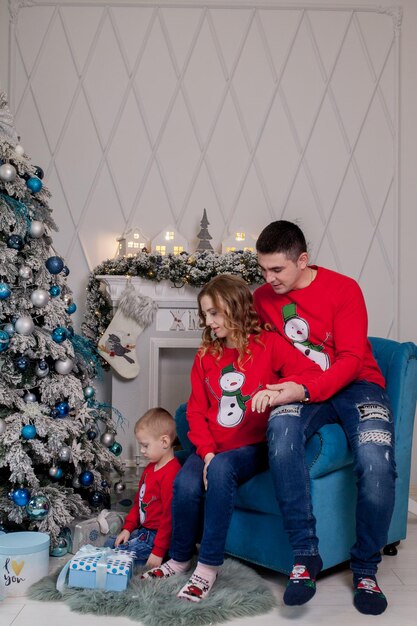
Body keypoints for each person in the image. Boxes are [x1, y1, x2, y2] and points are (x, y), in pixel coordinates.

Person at [142, 274, 322, 602]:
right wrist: (206, 454)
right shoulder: (206, 356)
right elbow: (196, 412)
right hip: (213, 448)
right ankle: (180, 559)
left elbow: (310, 375)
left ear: (236, 309)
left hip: (253, 449)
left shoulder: (269, 344)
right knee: (185, 482)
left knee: (224, 469)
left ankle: (207, 568)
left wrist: (278, 392)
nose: (209, 323)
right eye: (205, 315)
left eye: (215, 313)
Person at [251, 220, 396, 616]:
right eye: (263, 269)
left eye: (277, 269)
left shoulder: (344, 289)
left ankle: (365, 568)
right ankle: (305, 555)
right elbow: (261, 353)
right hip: (299, 388)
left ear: (303, 259)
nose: (268, 279)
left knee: (376, 462)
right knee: (280, 432)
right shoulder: (262, 298)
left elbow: (351, 360)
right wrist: (274, 388)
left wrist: (305, 389)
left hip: (358, 385)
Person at [104, 407, 181, 567]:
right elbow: (138, 503)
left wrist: (158, 551)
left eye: (145, 446)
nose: (141, 450)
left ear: (165, 442)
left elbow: (169, 517)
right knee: (110, 543)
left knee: (119, 556)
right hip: (143, 531)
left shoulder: (171, 473)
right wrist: (127, 529)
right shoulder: (149, 469)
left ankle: (162, 555)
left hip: (158, 536)